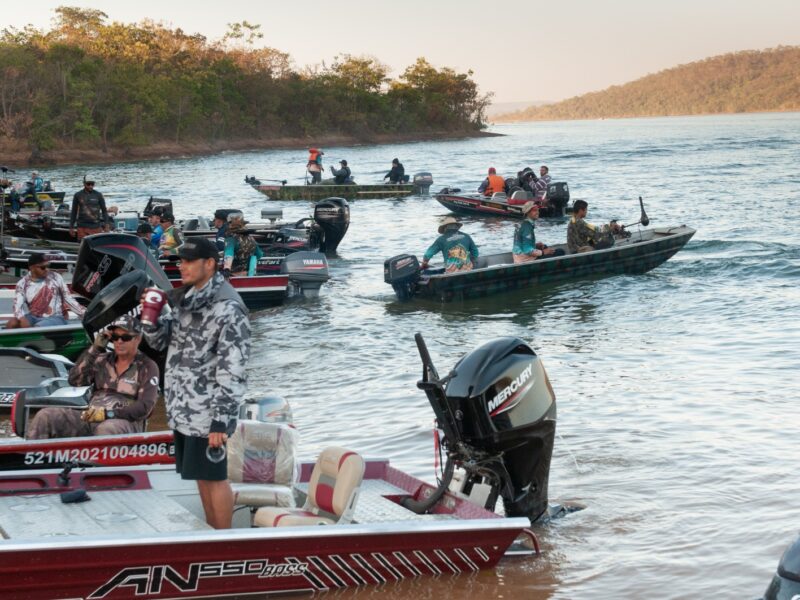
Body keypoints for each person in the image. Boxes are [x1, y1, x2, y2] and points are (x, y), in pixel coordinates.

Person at [141, 237, 251, 529]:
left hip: (208, 412)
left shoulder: (228, 308)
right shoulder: (186, 298)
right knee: (201, 478)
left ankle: (222, 543)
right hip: (183, 408)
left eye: (189, 261)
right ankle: (211, 536)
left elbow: (234, 370)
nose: (182, 266)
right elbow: (162, 343)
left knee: (215, 478)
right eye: (180, 261)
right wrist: (150, 319)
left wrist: (220, 421)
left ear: (210, 264)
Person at [26, 316, 159, 439]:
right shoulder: (101, 360)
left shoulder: (148, 366)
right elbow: (75, 380)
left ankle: (99, 464)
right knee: (46, 416)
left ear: (137, 339)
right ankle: (31, 458)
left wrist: (108, 414)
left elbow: (144, 407)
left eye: (125, 337)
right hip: (90, 418)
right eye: (115, 337)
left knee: (107, 428)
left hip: (125, 425)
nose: (119, 341)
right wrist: (96, 348)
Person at [5, 254, 85, 329]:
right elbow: (17, 306)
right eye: (43, 267)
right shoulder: (22, 284)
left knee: (38, 327)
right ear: (32, 268)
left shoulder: (56, 277)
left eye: (48, 266)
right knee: (12, 323)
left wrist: (84, 314)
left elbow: (68, 299)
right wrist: (21, 318)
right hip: (33, 316)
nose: (47, 269)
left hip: (56, 317)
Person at [69, 175, 109, 240]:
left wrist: (107, 224)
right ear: (84, 183)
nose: (90, 186)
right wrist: (71, 227)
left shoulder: (98, 195)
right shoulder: (77, 195)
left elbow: (104, 211)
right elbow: (74, 212)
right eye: (88, 184)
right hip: (82, 227)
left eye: (92, 184)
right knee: (83, 245)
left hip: (96, 227)